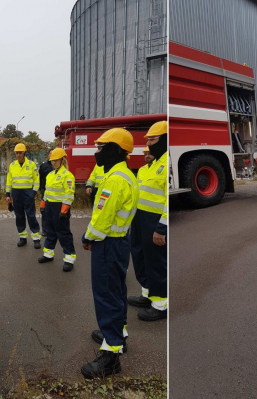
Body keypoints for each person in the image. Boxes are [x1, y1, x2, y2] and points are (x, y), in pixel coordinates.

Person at [80, 127, 139, 379]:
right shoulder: (126, 176)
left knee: (105, 295)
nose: (97, 152)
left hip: (107, 244)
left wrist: (87, 237)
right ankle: (119, 334)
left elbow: (102, 219)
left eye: (101, 148)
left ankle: (110, 355)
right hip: (119, 243)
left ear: (116, 150)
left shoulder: (114, 180)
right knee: (117, 291)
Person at [128, 121, 168, 321]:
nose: (149, 146)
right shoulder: (147, 169)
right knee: (139, 256)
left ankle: (160, 305)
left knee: (156, 261)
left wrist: (162, 227)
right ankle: (147, 294)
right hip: (140, 218)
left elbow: (168, 200)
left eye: (153, 139)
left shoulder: (166, 163)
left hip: (154, 220)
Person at [38, 148, 77, 271]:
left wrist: (64, 210)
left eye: (56, 160)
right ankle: (48, 254)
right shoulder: (50, 175)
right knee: (50, 231)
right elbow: (47, 192)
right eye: (52, 160)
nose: (53, 162)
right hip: (50, 206)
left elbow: (69, 193)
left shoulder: (67, 176)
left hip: (60, 208)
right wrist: (43, 205)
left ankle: (69, 258)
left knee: (63, 232)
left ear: (62, 160)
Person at [5, 143, 41, 248]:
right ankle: (22, 237)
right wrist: (8, 194)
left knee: (31, 215)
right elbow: (9, 181)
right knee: (19, 216)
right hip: (16, 194)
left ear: (24, 153)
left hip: (28, 193)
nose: (18, 155)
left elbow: (36, 179)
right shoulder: (12, 165)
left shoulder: (32, 165)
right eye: (16, 153)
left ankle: (36, 238)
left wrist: (34, 192)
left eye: (20, 153)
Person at [38, 148, 54, 236]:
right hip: (44, 191)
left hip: (55, 192)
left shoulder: (57, 166)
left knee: (54, 210)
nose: (51, 155)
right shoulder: (43, 166)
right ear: (48, 155)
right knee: (44, 210)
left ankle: (54, 229)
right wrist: (40, 190)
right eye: (50, 153)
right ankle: (44, 229)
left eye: (53, 153)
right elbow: (39, 178)